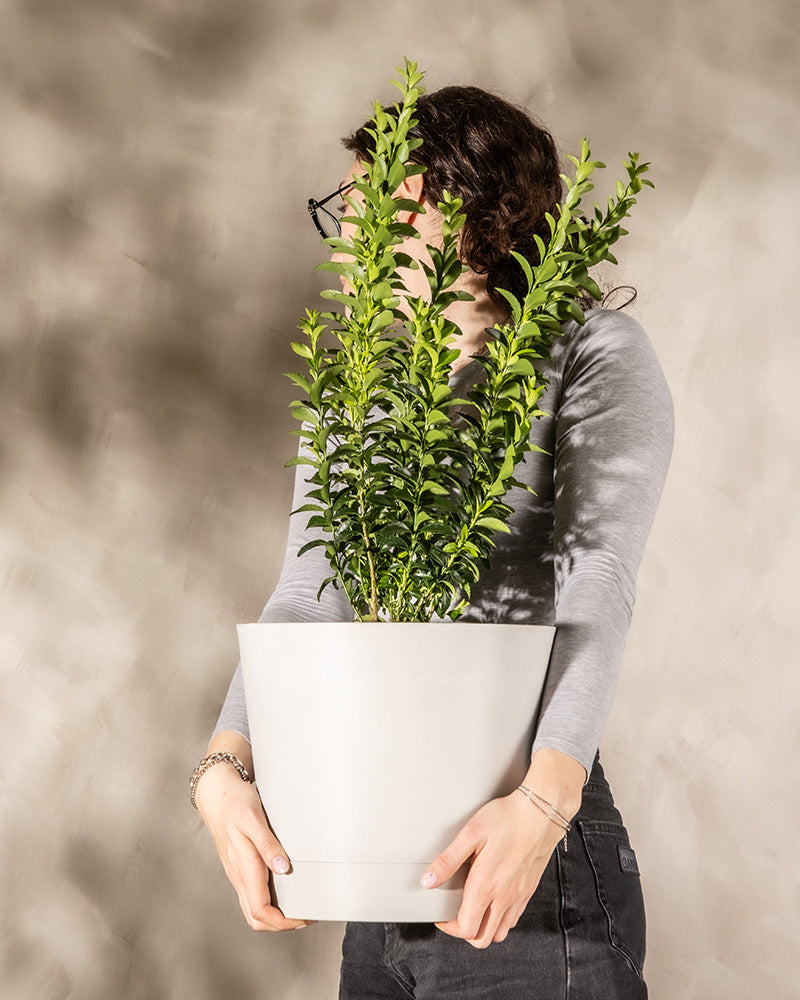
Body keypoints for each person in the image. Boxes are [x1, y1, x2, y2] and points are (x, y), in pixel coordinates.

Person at [191, 85, 674, 999]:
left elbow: (596, 577)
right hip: (377, 866)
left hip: (524, 853)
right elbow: (307, 591)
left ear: (453, 200)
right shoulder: (362, 383)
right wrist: (223, 766)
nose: (348, 239)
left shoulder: (592, 353)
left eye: (366, 204)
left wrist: (542, 804)